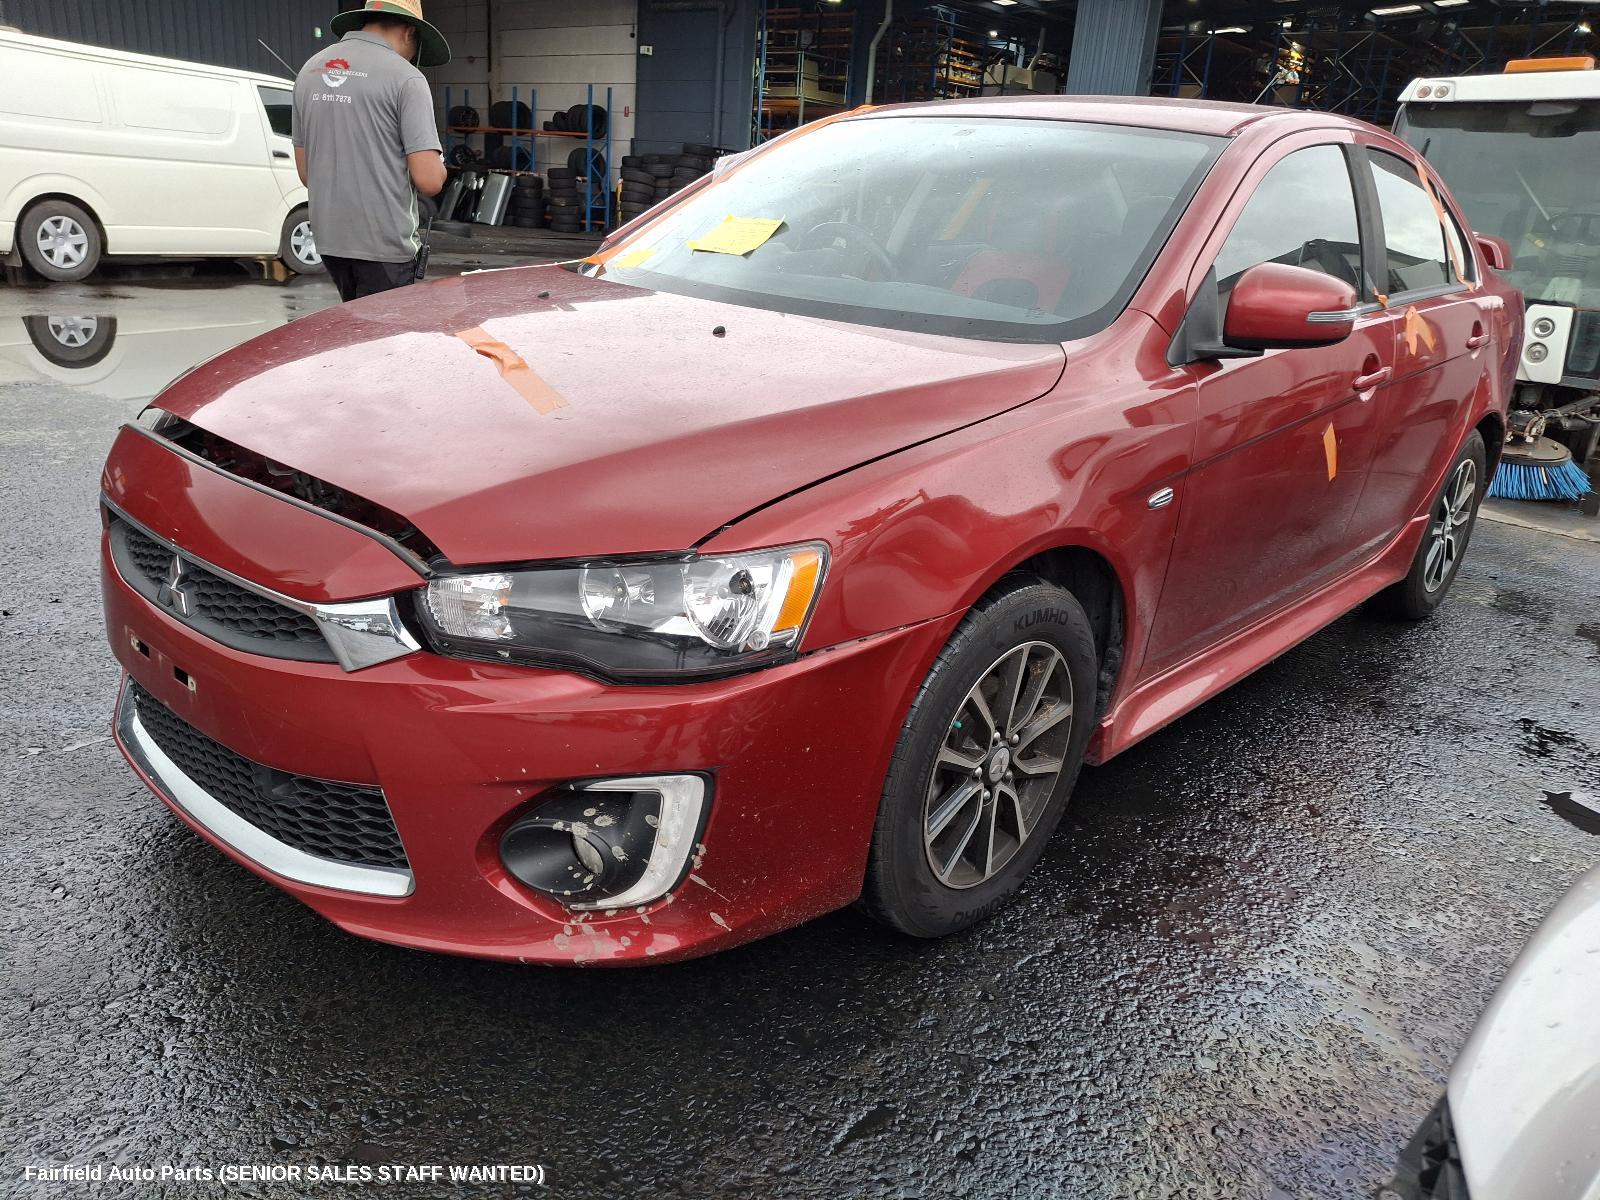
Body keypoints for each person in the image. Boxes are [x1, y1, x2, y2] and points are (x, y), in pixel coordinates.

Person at [292, 0, 450, 302]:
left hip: (330, 241)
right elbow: (429, 181)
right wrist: (438, 163)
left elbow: (306, 173)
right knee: (388, 332)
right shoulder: (406, 78)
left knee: (354, 327)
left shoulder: (310, 69)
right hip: (385, 245)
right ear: (409, 32)